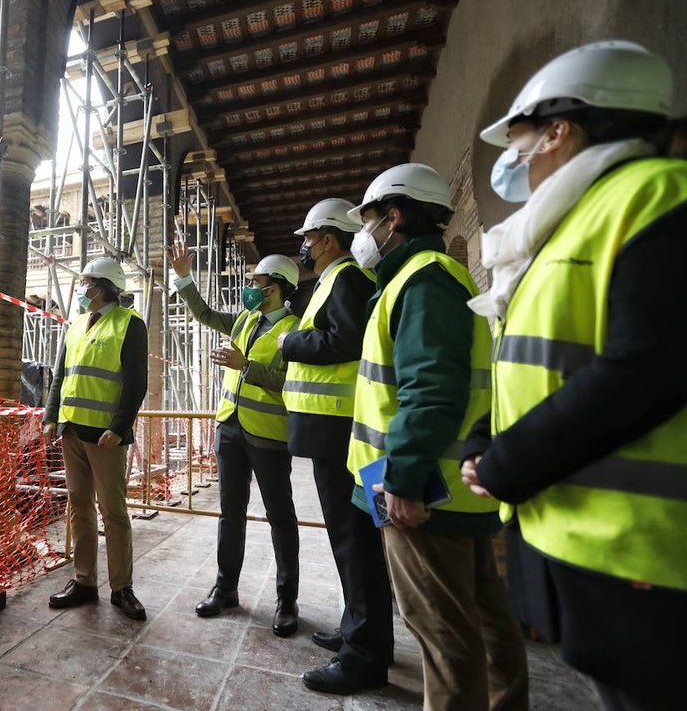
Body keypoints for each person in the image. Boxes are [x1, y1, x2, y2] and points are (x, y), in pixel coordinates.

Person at [461, 40, 687, 710]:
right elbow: (548, 359)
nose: (513, 159)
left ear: (559, 130)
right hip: (582, 532)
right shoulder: (568, 225)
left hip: (649, 551)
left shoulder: (659, 195)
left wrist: (511, 459)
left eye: (518, 139)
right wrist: (490, 436)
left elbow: (648, 366)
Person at [346, 164, 529, 710]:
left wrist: (404, 478)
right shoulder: (429, 277)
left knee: (441, 632)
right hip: (436, 482)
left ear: (395, 217)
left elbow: (430, 390)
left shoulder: (423, 280)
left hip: (420, 488)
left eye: (369, 219)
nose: (365, 233)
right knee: (483, 620)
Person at [277, 199, 394, 694]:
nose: (304, 246)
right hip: (331, 428)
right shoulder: (334, 280)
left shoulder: (346, 279)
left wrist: (289, 344)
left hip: (339, 427)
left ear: (326, 239)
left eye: (308, 238)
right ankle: (356, 629)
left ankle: (364, 656)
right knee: (350, 540)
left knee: (355, 541)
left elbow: (344, 341)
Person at [165, 241, 302, 636]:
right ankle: (226, 589)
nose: (250, 287)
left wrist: (247, 366)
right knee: (230, 512)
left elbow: (291, 383)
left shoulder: (296, 330)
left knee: (281, 517)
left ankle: (286, 600)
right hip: (229, 428)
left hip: (269, 436)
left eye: (256, 282)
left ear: (275, 286)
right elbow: (205, 314)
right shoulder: (245, 319)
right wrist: (184, 278)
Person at [43, 257, 148, 621]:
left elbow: (136, 382)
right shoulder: (75, 326)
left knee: (113, 511)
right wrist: (51, 417)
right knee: (79, 506)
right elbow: (61, 375)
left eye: (87, 282)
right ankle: (84, 581)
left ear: (103, 287)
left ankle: (122, 588)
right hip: (71, 429)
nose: (82, 289)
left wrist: (119, 427)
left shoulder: (129, 324)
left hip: (105, 436)